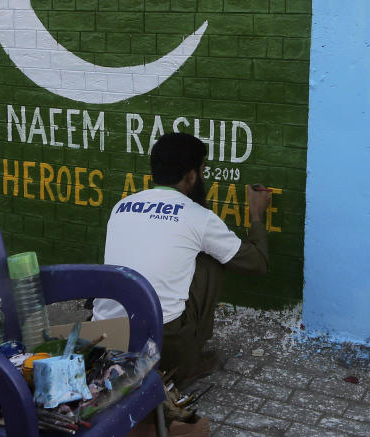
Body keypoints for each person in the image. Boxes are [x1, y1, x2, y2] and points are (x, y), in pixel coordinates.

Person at [93, 132, 271, 386]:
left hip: (106, 338)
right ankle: (189, 362)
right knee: (211, 259)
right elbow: (257, 263)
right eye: (203, 170)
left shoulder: (122, 206)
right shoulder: (198, 217)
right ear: (191, 176)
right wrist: (256, 215)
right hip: (161, 345)